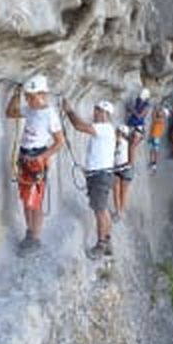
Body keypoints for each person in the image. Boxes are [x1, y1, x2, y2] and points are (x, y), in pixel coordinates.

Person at [5, 73, 64, 255]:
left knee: (35, 201)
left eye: (32, 97)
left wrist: (42, 157)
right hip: (24, 156)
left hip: (37, 158)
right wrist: (16, 95)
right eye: (27, 97)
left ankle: (35, 237)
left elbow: (59, 142)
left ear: (43, 94)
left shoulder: (50, 115)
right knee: (25, 199)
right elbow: (10, 113)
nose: (29, 100)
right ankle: (29, 232)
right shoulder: (30, 109)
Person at [62, 98, 116, 259]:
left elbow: (79, 126)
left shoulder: (104, 128)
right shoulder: (106, 129)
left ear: (106, 114)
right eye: (95, 110)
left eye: (99, 110)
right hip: (100, 174)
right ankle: (107, 240)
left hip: (100, 176)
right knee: (103, 208)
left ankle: (101, 245)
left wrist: (69, 111)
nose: (95, 113)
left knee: (100, 210)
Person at [112, 124, 133, 221]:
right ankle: (119, 211)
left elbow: (118, 140)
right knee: (120, 192)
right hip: (120, 169)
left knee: (120, 192)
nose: (116, 133)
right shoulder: (121, 142)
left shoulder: (122, 141)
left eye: (118, 132)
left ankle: (119, 211)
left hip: (123, 169)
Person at [125, 88, 150, 161]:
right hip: (133, 125)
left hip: (138, 126)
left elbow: (140, 116)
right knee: (130, 145)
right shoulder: (138, 101)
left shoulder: (146, 106)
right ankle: (129, 163)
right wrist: (130, 109)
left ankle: (130, 163)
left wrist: (132, 110)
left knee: (132, 146)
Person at [147, 104, 169, 172]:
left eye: (161, 112)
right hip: (152, 134)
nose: (160, 112)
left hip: (156, 136)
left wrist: (155, 110)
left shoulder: (161, 119)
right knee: (151, 149)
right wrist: (156, 110)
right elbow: (153, 118)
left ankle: (154, 163)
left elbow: (154, 119)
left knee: (155, 150)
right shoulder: (159, 118)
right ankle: (151, 162)